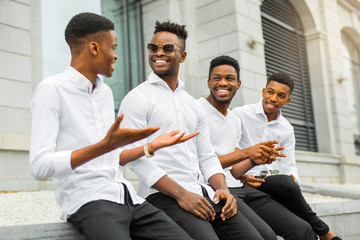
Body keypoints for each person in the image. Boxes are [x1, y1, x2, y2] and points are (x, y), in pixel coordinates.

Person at [29, 12, 195, 240]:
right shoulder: (51, 90)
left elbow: (111, 155)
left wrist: (151, 147)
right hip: (89, 201)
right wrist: (103, 146)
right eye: (113, 48)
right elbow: (39, 166)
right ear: (94, 48)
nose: (116, 56)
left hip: (126, 196)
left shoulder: (105, 93)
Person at [119, 21, 267, 240]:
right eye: (153, 48)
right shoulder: (138, 98)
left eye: (167, 48)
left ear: (183, 56)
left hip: (202, 191)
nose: (158, 53)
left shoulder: (192, 104)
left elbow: (207, 156)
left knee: (261, 237)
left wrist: (223, 189)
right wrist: (181, 194)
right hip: (162, 195)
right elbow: (133, 157)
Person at [199, 55, 324, 240]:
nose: (223, 83)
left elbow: (234, 169)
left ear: (239, 84)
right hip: (216, 188)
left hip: (244, 184)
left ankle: (322, 231)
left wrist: (252, 161)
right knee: (267, 237)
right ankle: (326, 232)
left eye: (230, 78)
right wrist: (249, 153)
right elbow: (202, 162)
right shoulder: (198, 110)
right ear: (209, 82)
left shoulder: (234, 119)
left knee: (302, 229)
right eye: (217, 78)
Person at [232, 72, 341, 240]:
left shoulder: (286, 128)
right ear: (263, 92)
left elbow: (289, 164)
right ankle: (326, 233)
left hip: (271, 181)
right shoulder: (240, 114)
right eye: (270, 92)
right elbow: (231, 152)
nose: (273, 98)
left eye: (281, 95)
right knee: (288, 189)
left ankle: (320, 232)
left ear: (287, 101)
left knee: (289, 186)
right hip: (245, 178)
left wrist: (294, 180)